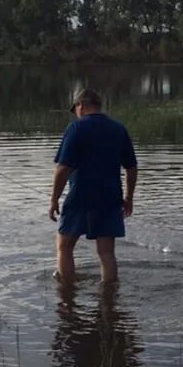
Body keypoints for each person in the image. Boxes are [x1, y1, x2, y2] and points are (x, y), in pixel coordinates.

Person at [48, 89, 138, 284]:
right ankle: (109, 299)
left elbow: (63, 169)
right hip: (110, 196)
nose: (76, 113)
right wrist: (129, 198)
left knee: (64, 247)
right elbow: (131, 168)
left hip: (80, 195)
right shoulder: (118, 129)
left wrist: (54, 199)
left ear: (81, 105)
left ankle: (67, 295)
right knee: (106, 253)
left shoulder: (76, 128)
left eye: (76, 109)